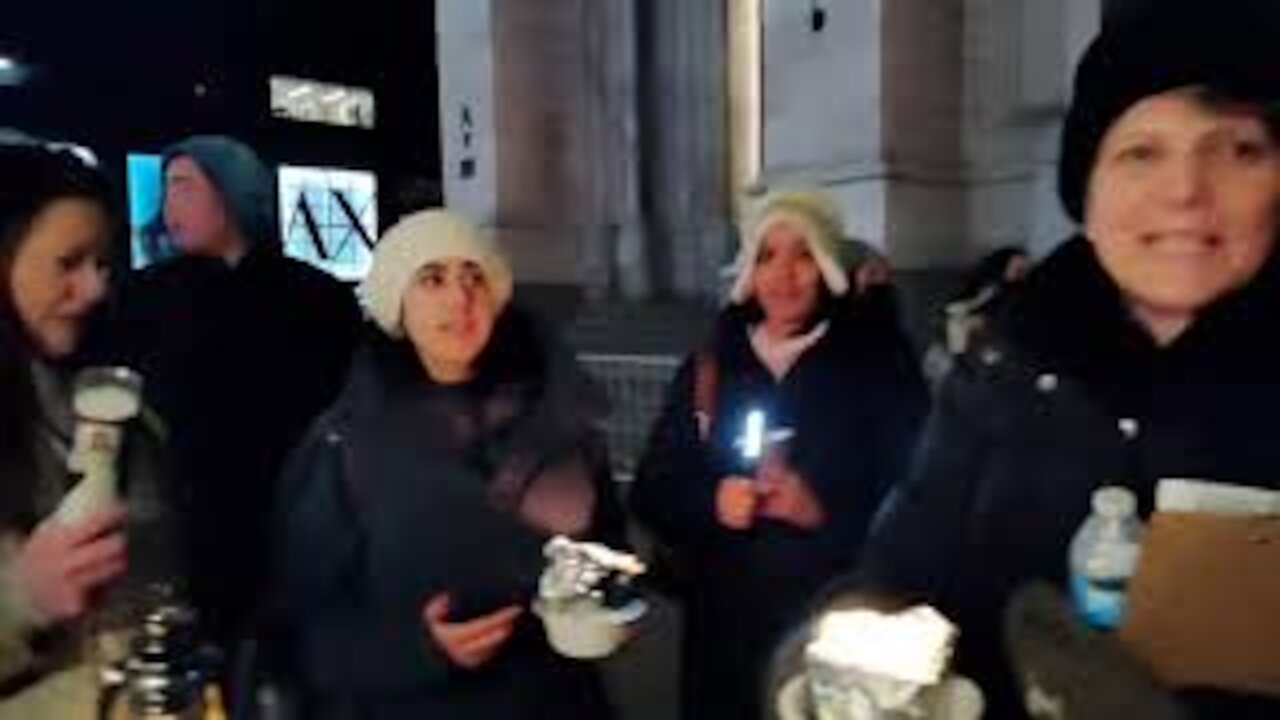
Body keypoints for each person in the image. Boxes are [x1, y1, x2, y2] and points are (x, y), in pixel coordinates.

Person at [805, 5, 1280, 717]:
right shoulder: (1004, 362)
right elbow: (895, 575)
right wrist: (820, 674)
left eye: (1238, 148)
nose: (1185, 189)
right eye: (1140, 152)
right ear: (1085, 196)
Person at [270, 209, 624, 719]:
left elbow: (610, 550)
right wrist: (420, 649)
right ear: (398, 305)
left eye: (473, 277)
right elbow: (309, 631)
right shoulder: (345, 443)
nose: (460, 299)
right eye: (432, 279)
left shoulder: (555, 419)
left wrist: (611, 606)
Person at [631, 188, 928, 720]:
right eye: (767, 255)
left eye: (804, 255)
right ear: (748, 270)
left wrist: (820, 514)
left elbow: (920, 498)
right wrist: (713, 501)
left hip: (834, 630)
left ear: (828, 267)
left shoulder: (878, 365)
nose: (784, 274)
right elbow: (653, 487)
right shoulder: (710, 367)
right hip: (722, 637)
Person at [106, 136, 361, 648]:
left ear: (234, 189)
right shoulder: (142, 297)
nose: (168, 206)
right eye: (166, 190)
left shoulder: (317, 298)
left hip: (300, 519)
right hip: (189, 531)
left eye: (183, 186)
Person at [0, 146, 173, 715]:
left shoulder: (119, 400)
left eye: (102, 263)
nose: (95, 289)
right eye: (69, 262)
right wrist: (21, 597)